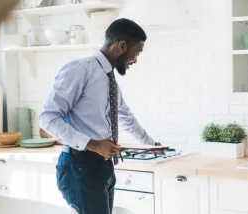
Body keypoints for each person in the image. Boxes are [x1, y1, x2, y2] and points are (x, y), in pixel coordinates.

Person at [39, 18, 161, 214]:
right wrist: (93, 144)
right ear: (122, 46)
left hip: (102, 167)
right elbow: (48, 118)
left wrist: (151, 145)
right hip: (79, 166)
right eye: (136, 53)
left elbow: (125, 116)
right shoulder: (80, 70)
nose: (135, 60)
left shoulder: (108, 78)